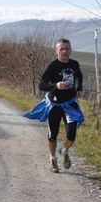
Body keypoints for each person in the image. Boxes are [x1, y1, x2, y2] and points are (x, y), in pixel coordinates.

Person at [23, 38, 84, 173]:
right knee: (53, 134)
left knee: (72, 134)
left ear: (70, 50)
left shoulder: (74, 64)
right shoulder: (52, 66)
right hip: (55, 104)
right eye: (61, 49)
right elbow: (41, 85)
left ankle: (64, 150)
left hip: (70, 104)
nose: (64, 51)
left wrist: (79, 88)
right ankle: (52, 158)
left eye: (67, 48)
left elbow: (79, 76)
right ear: (57, 50)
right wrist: (55, 85)